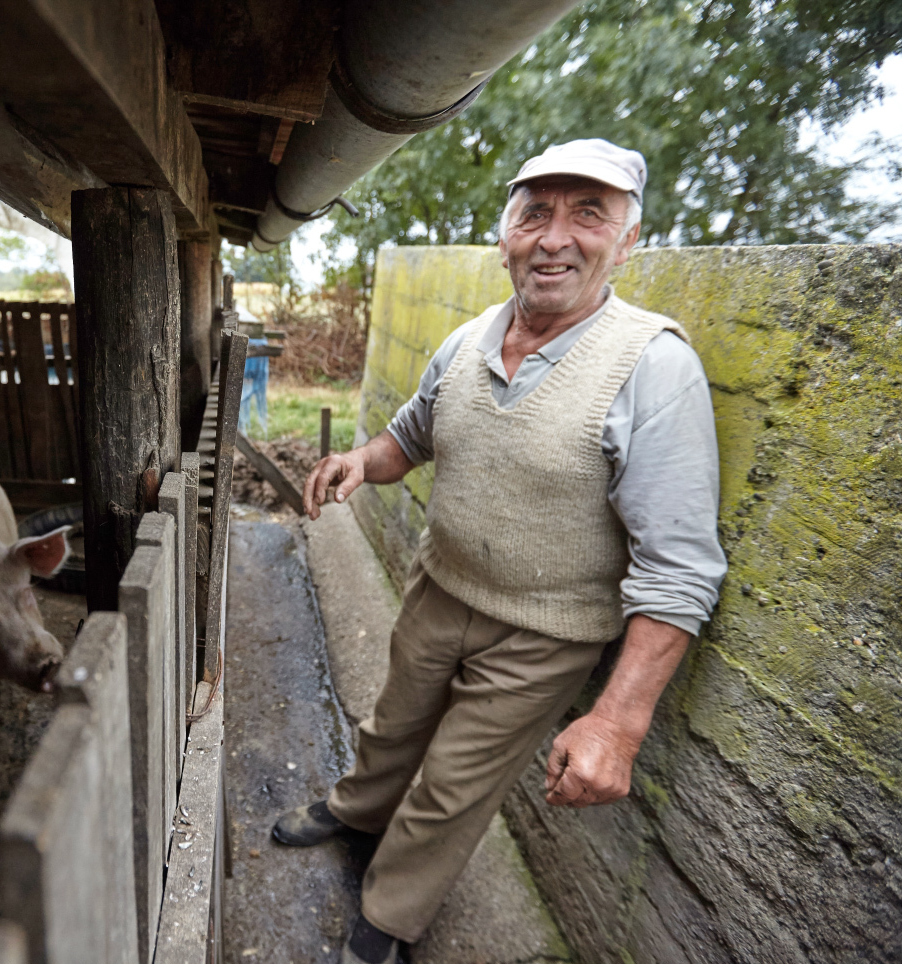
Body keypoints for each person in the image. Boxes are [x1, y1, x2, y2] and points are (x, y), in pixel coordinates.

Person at [275, 139, 726, 964]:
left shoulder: (654, 366)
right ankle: (355, 809)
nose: (556, 237)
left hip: (544, 633)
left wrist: (619, 723)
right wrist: (358, 463)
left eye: (589, 214)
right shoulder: (470, 338)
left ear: (628, 242)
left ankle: (387, 916)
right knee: (392, 724)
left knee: (452, 788)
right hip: (439, 588)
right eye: (535, 213)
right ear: (505, 235)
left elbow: (680, 569)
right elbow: (410, 438)